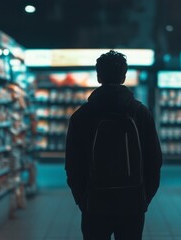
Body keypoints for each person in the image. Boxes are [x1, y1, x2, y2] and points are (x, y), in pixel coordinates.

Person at [65, 50, 162, 240]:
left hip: (95, 202)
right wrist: (143, 198)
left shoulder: (81, 116)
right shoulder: (140, 113)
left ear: (99, 75)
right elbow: (155, 160)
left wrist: (82, 199)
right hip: (132, 203)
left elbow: (72, 164)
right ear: (124, 76)